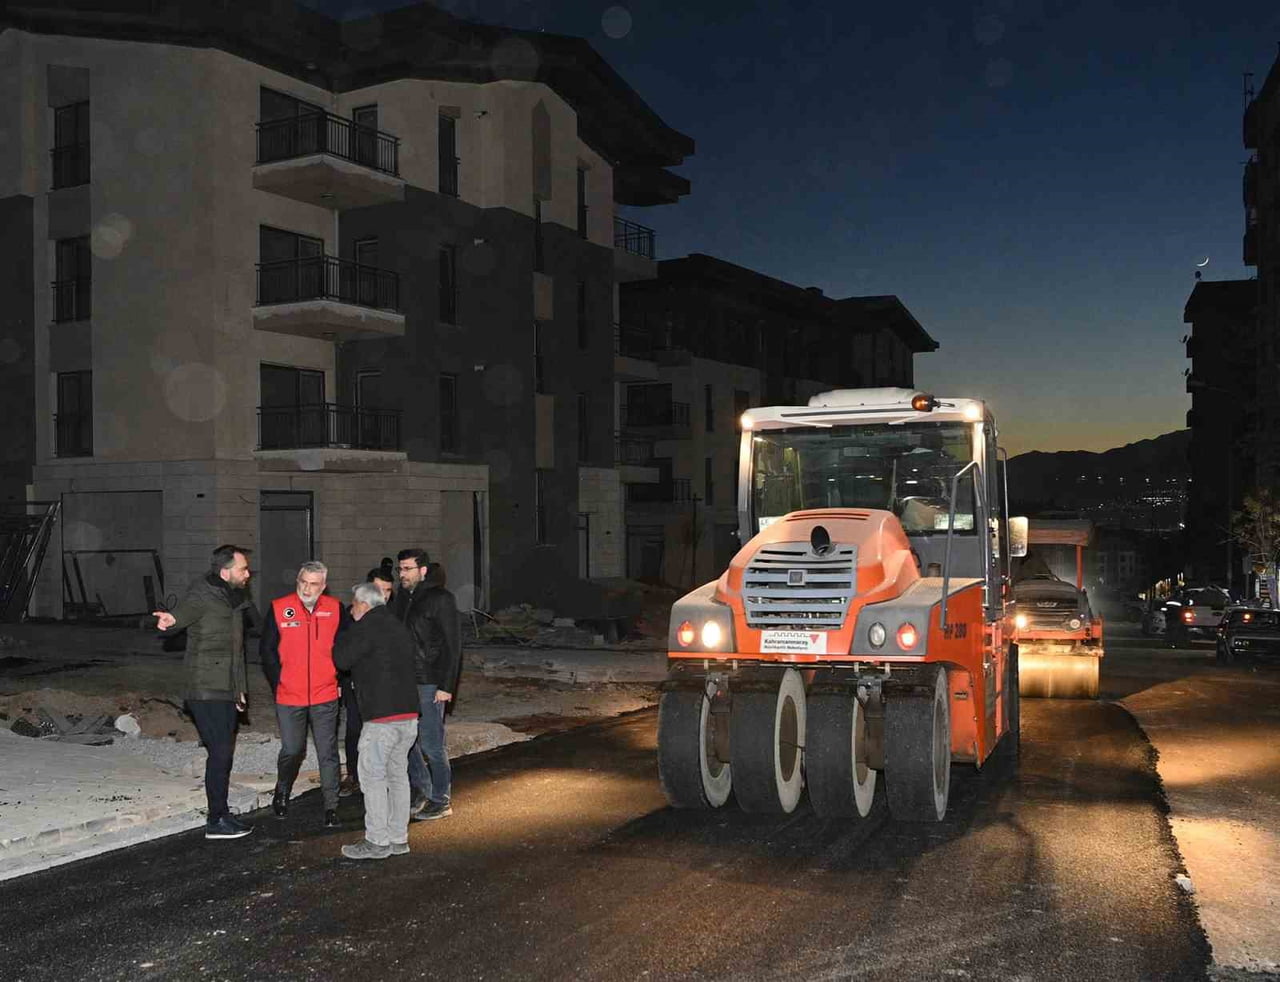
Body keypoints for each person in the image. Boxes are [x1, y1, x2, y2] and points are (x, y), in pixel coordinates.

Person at [153, 545, 255, 840]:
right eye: (242, 569)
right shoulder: (202, 594)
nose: (248, 574)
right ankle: (216, 820)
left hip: (225, 686)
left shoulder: (233, 598)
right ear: (225, 572)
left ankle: (222, 814)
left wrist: (239, 689)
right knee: (220, 752)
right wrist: (171, 619)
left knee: (223, 753)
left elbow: (237, 651)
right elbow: (183, 613)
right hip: (205, 687)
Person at [333, 581, 420, 860]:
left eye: (353, 605)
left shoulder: (366, 627)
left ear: (363, 604)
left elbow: (341, 659)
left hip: (381, 718)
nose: (352, 610)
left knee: (373, 778)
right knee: (398, 777)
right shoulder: (398, 625)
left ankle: (377, 841)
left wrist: (344, 632)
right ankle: (398, 838)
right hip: (408, 715)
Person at [260, 560, 345, 828]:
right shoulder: (279, 608)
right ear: (297, 581)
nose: (307, 589)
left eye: (314, 584)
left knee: (327, 752)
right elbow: (267, 651)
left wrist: (339, 677)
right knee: (292, 749)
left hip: (325, 694)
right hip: (289, 695)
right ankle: (282, 789)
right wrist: (278, 682)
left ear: (324, 586)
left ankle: (331, 805)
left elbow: (345, 648)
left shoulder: (335, 609)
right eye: (303, 583)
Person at [394, 548, 461, 821]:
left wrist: (446, 685)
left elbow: (453, 645)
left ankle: (441, 799)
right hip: (404, 681)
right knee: (406, 741)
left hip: (429, 682)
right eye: (400, 569)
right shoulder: (402, 598)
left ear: (422, 570)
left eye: (407, 569)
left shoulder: (441, 599)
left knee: (432, 745)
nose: (402, 574)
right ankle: (422, 789)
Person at [338, 564, 397, 799]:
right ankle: (353, 774)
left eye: (388, 590)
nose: (384, 595)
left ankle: (385, 776)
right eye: (379, 589)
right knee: (355, 728)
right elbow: (342, 649)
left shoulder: (395, 616)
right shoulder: (351, 614)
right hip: (356, 685)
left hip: (385, 685)